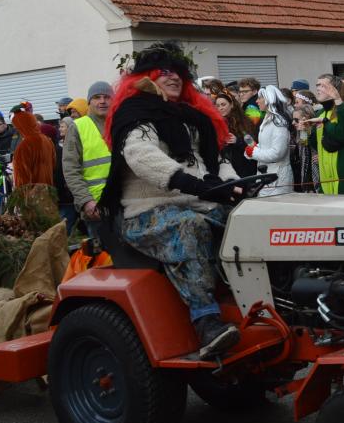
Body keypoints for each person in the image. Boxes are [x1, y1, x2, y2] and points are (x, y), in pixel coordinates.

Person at [99, 42, 242, 359]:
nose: (174, 77)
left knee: (246, 220)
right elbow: (140, 155)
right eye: (165, 72)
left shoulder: (193, 118)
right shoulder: (136, 115)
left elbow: (214, 160)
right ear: (148, 77)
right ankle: (207, 322)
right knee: (187, 228)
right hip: (147, 211)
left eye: (178, 73)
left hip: (195, 202)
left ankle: (258, 304)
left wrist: (232, 184)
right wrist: (189, 183)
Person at [62, 81, 113, 234]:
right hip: (96, 206)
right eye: (97, 97)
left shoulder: (120, 123)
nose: (102, 101)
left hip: (124, 203)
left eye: (107, 97)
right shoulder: (78, 127)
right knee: (103, 257)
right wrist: (86, 201)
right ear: (89, 102)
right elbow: (71, 170)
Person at [245, 85, 294, 196]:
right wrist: (253, 148)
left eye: (260, 98)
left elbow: (278, 153)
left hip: (278, 177)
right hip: (267, 175)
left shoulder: (279, 122)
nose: (257, 101)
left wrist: (254, 152)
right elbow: (266, 147)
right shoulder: (268, 119)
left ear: (269, 99)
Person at [213, 88, 257, 177]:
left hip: (245, 169)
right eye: (217, 106)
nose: (220, 108)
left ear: (231, 105)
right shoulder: (215, 123)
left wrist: (237, 141)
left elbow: (252, 144)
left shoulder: (243, 122)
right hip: (226, 170)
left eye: (223, 104)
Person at [11, 107, 55, 187]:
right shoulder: (47, 140)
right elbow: (53, 164)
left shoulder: (24, 145)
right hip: (48, 189)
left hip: (32, 193)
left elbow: (22, 176)